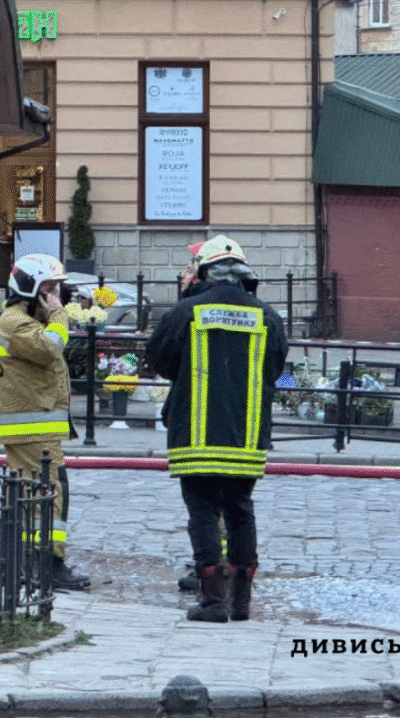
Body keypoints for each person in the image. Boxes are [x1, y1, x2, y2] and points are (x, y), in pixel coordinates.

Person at [145, 236, 287, 622]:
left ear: (204, 273)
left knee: (203, 514)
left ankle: (213, 602)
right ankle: (241, 604)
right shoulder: (267, 316)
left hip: (195, 434)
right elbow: (275, 370)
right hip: (248, 436)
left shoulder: (187, 311)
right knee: (240, 511)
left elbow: (157, 358)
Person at [0, 253, 90, 590]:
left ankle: (32, 560)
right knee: (49, 493)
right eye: (49, 288)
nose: (55, 296)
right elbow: (50, 349)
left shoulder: (27, 319)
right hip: (31, 428)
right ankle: (46, 563)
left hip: (39, 426)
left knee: (38, 493)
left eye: (57, 289)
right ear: (28, 287)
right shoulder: (15, 322)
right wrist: (59, 314)